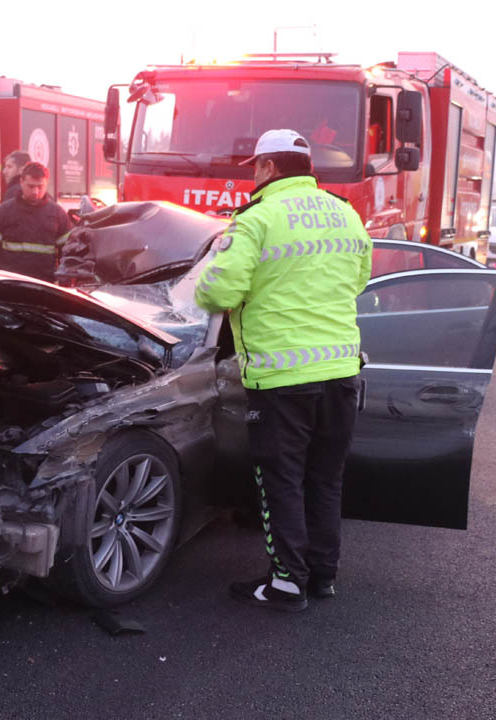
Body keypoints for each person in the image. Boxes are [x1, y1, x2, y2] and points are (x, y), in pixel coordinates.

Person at [193, 128, 372, 612]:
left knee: (282, 482)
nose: (254, 174)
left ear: (268, 167)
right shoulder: (345, 213)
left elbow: (216, 294)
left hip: (282, 379)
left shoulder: (256, 220)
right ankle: (322, 577)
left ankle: (287, 584)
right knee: (325, 480)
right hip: (340, 373)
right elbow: (358, 280)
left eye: (255, 166)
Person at [0, 162, 70, 282]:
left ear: (46, 184)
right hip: (9, 283)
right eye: (31, 186)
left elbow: (68, 252)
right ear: (21, 182)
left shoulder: (58, 214)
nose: (36, 191)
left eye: (40, 186)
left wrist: (64, 281)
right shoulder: (5, 211)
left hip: (44, 285)